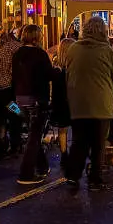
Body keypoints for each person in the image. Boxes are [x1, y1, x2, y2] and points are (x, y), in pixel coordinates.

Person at [65, 16, 113, 189]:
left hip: (77, 102)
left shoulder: (73, 48)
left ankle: (73, 177)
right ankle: (95, 179)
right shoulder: (107, 50)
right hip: (101, 104)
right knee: (98, 144)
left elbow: (68, 73)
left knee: (78, 141)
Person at [12, 25, 55, 185]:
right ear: (37, 37)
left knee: (33, 134)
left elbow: (14, 76)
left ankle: (42, 166)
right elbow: (49, 75)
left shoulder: (18, 54)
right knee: (35, 136)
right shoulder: (40, 54)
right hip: (37, 99)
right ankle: (26, 174)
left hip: (19, 99)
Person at [0, 22, 23, 162]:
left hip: (8, 90)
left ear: (2, 31)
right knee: (1, 119)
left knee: (14, 115)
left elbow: (20, 50)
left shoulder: (9, 44)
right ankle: (2, 146)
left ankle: (14, 145)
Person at [50, 38, 75, 170]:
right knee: (76, 129)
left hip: (59, 103)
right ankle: (74, 154)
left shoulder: (56, 68)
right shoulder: (73, 68)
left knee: (62, 130)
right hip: (73, 103)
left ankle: (64, 154)